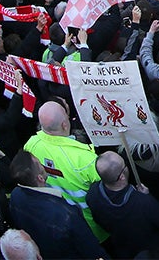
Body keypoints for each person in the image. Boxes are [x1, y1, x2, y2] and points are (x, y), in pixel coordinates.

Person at [22, 101, 105, 240]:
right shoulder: (84, 158)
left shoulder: (31, 146)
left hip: (59, 222)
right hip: (93, 226)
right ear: (65, 124)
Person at [8, 150, 107, 260]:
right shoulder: (67, 215)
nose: (43, 165)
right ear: (40, 178)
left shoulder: (15, 196)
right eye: (40, 164)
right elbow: (92, 251)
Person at [87, 151, 159, 259]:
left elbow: (99, 221)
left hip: (123, 251)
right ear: (121, 177)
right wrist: (147, 197)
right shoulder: (143, 202)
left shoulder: (92, 194)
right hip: (151, 251)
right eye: (125, 164)